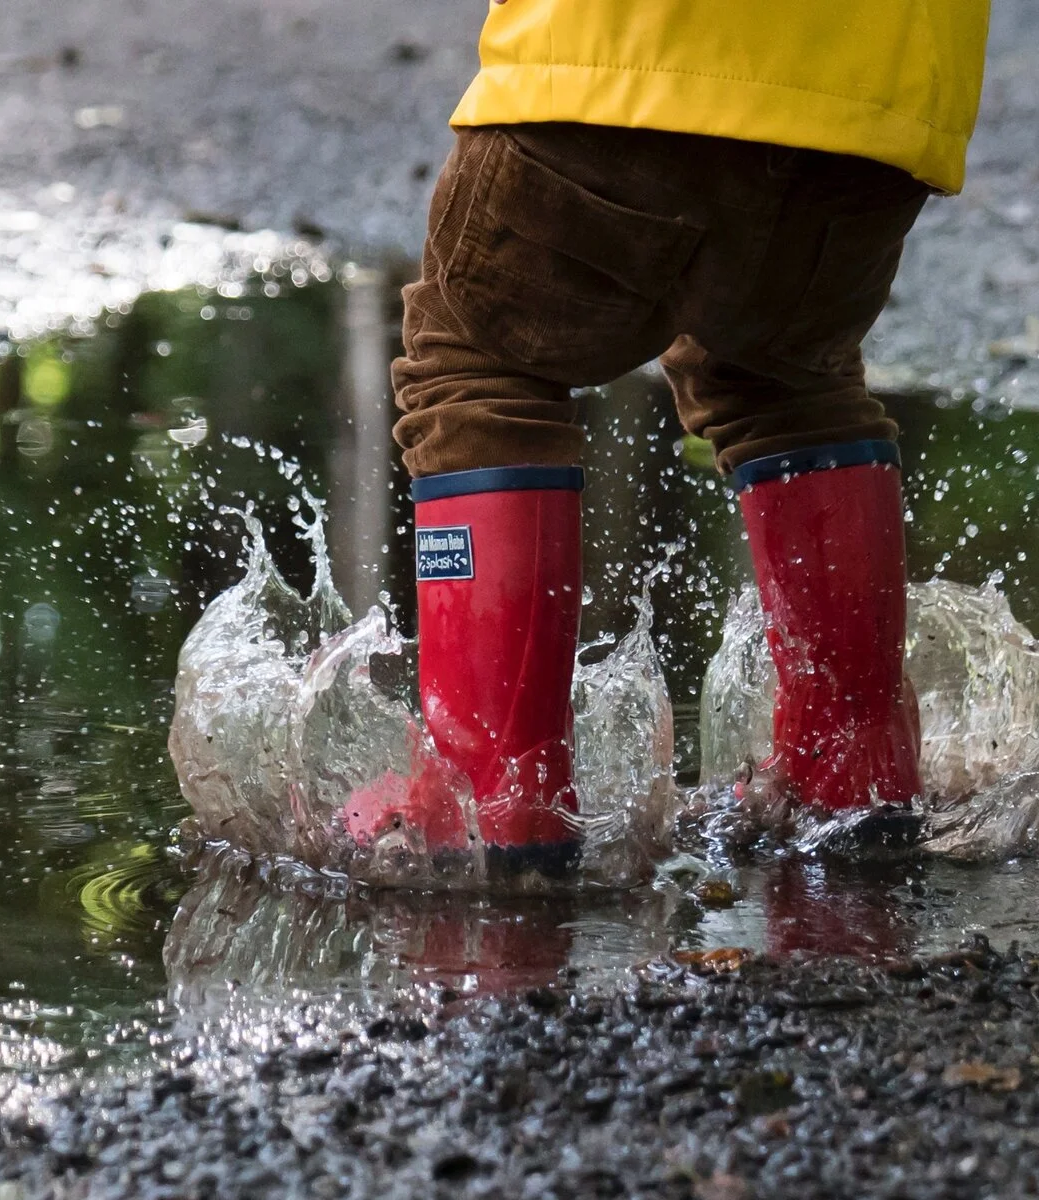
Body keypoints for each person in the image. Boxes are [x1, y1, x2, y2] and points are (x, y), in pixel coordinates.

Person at [345, 0, 993, 871]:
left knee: (476, 364)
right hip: (875, 110)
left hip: (633, 56)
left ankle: (488, 800)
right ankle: (853, 776)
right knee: (786, 379)